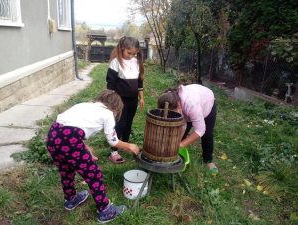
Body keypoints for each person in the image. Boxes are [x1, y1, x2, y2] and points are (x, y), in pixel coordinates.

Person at [46, 90, 140, 223]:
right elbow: (113, 141)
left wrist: (84, 148)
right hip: (69, 140)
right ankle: (105, 211)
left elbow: (67, 128)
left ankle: (71, 199)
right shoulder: (107, 114)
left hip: (53, 135)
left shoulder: (84, 105)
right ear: (116, 107)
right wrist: (130, 146)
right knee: (93, 174)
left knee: (66, 170)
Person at [157, 84, 218, 174]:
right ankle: (172, 153)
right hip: (188, 105)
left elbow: (200, 131)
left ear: (178, 105)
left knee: (207, 134)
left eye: (173, 113)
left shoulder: (192, 104)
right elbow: (183, 125)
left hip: (206, 101)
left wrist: (181, 144)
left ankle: (208, 160)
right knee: (181, 133)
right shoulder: (168, 97)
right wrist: (177, 141)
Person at [106, 36, 145, 164]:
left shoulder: (136, 62)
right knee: (120, 124)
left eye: (134, 53)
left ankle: (126, 144)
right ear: (122, 48)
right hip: (120, 100)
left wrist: (141, 98)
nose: (131, 56)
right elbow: (110, 84)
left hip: (132, 100)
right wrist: (112, 100)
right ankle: (113, 151)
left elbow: (139, 82)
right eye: (129, 53)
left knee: (129, 123)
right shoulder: (116, 62)